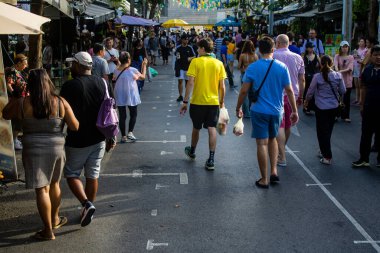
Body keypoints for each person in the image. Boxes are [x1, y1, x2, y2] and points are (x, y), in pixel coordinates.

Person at [2, 69, 79, 240]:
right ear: (48, 82)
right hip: (57, 148)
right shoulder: (60, 102)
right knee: (55, 184)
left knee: (41, 189)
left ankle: (48, 230)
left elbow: (5, 113)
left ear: (30, 84)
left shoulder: (22, 103)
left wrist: (15, 95)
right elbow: (75, 126)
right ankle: (55, 219)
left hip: (32, 149)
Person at [235, 36, 298, 188]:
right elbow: (289, 90)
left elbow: (244, 91)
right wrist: (294, 110)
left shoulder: (253, 68)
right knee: (273, 140)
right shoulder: (281, 67)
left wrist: (238, 108)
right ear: (273, 49)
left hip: (258, 110)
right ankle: (274, 171)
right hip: (277, 111)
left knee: (261, 144)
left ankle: (264, 179)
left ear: (259, 50)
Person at [61, 52, 114, 227]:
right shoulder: (102, 82)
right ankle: (88, 208)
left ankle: (86, 204)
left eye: (72, 64)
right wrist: (111, 136)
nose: (71, 67)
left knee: (71, 173)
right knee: (93, 175)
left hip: (77, 138)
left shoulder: (69, 86)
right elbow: (110, 108)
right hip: (99, 137)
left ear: (78, 65)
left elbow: (62, 113)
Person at [179, 38, 226, 171]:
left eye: (198, 48)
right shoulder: (218, 63)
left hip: (197, 102)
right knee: (212, 128)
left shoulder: (196, 61)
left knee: (196, 127)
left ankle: (192, 151)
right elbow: (222, 86)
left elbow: (190, 82)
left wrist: (185, 101)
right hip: (213, 102)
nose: (197, 50)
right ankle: (211, 159)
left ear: (203, 49)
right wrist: (222, 102)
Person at [305, 55, 346, 165]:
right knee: (328, 130)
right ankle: (323, 150)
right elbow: (343, 90)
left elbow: (310, 91)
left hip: (321, 107)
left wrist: (306, 101)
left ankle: (327, 156)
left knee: (321, 132)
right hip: (334, 107)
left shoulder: (317, 76)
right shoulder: (338, 75)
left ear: (320, 64)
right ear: (332, 63)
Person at [274, 34, 305, 167]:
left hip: (276, 94)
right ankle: (282, 150)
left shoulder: (273, 56)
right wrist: (301, 96)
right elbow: (302, 79)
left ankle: (281, 154)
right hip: (293, 94)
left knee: (280, 125)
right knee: (288, 125)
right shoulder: (298, 57)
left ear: (278, 43)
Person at [352, 45, 380, 168]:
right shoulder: (367, 69)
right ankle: (364, 158)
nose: (378, 57)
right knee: (366, 134)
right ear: (371, 56)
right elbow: (363, 87)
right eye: (375, 55)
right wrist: (362, 105)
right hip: (369, 107)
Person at [113, 52, 147, 143]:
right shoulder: (132, 70)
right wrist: (144, 65)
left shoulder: (116, 70)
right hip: (131, 94)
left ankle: (123, 136)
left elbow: (118, 71)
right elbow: (143, 77)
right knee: (133, 114)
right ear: (129, 60)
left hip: (119, 94)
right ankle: (130, 132)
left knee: (122, 115)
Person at [5, 54, 28, 150]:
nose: (26, 66)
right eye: (24, 64)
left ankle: (15, 139)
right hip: (16, 100)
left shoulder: (17, 71)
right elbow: (9, 84)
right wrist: (14, 94)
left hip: (20, 99)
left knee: (19, 121)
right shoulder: (12, 71)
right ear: (19, 63)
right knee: (18, 121)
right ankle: (14, 140)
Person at [334, 41, 354, 122]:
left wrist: (339, 71)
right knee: (337, 98)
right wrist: (337, 70)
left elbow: (349, 68)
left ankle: (346, 116)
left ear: (348, 48)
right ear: (340, 48)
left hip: (347, 81)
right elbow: (335, 65)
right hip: (338, 80)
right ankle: (336, 114)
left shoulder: (351, 57)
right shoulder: (337, 56)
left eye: (346, 47)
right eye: (343, 47)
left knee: (346, 99)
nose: (345, 48)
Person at [238, 40, 258, 118]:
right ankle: (251, 109)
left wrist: (243, 68)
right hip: (254, 76)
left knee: (244, 94)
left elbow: (239, 66)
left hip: (245, 74)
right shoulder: (255, 56)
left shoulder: (242, 55)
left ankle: (246, 112)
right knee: (252, 93)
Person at [174, 35, 196, 102]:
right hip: (180, 67)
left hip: (188, 68)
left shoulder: (190, 48)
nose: (186, 41)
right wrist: (177, 56)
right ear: (182, 40)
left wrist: (190, 58)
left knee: (187, 82)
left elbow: (194, 56)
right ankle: (180, 95)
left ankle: (187, 95)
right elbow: (177, 56)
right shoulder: (178, 48)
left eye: (187, 39)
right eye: (185, 39)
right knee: (180, 81)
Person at [303, 42, 320, 115]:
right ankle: (306, 107)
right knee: (307, 91)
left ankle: (313, 107)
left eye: (313, 47)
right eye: (310, 47)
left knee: (315, 92)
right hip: (307, 77)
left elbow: (321, 66)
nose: (312, 49)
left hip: (315, 76)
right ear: (307, 48)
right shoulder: (304, 57)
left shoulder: (316, 56)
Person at [352, 38, 367, 105]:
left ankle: (361, 99)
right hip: (355, 68)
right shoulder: (357, 50)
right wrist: (354, 56)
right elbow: (354, 58)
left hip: (361, 69)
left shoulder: (366, 50)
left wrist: (358, 56)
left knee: (361, 85)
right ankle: (356, 99)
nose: (361, 43)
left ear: (364, 43)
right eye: (360, 41)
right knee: (356, 85)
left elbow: (364, 60)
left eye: (362, 41)